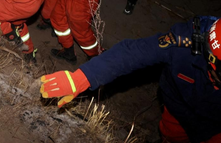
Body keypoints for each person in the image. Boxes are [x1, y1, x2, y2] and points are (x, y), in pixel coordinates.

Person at [40, 16, 221, 143]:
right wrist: (81, 78)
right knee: (170, 135)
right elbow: (132, 53)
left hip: (216, 126)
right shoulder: (184, 42)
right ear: (210, 57)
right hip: (177, 107)